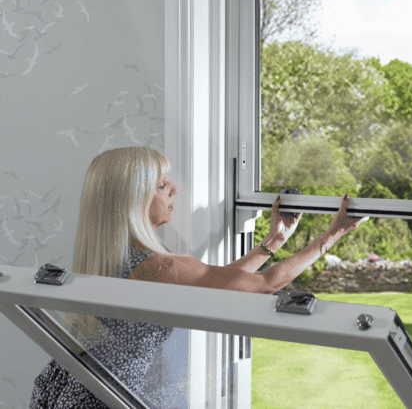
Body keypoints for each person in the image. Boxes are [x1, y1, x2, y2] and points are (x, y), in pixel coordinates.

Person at [30, 146, 367, 409]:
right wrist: (333, 234)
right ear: (133, 201)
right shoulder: (158, 267)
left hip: (74, 388)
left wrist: (273, 240)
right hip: (110, 398)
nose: (174, 189)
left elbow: (216, 283)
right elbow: (266, 286)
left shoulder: (109, 256)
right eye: (162, 185)